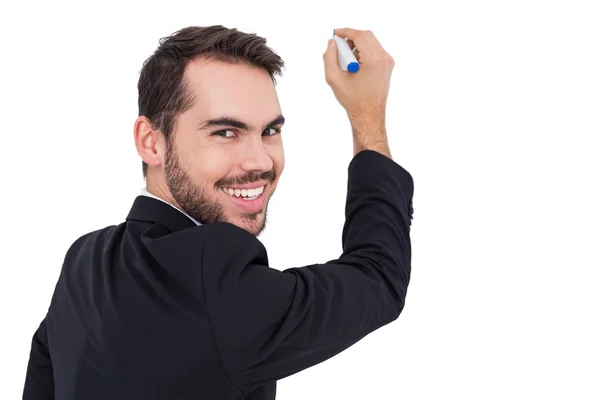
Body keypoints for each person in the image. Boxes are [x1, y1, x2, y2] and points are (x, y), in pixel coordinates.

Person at [22, 25, 414, 400]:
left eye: (270, 131)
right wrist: (368, 117)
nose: (259, 160)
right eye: (225, 132)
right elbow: (378, 278)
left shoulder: (84, 259)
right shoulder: (212, 272)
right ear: (150, 142)